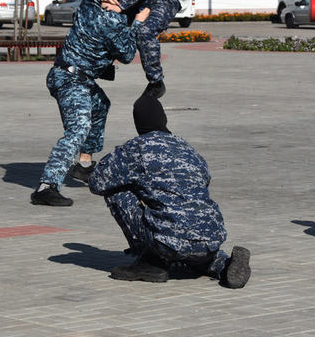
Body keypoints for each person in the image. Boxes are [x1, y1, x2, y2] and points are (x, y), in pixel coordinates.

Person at [88, 96, 251, 288]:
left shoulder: (137, 148)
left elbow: (97, 182)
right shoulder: (188, 149)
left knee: (116, 188)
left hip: (169, 240)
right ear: (163, 119)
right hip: (211, 236)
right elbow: (204, 181)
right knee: (193, 250)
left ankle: (150, 262)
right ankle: (224, 265)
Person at [31, 0, 150, 207]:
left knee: (100, 105)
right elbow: (126, 54)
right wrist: (137, 23)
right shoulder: (111, 20)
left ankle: (84, 166)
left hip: (75, 76)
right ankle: (46, 187)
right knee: (79, 127)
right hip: (70, 79)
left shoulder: (90, 1)